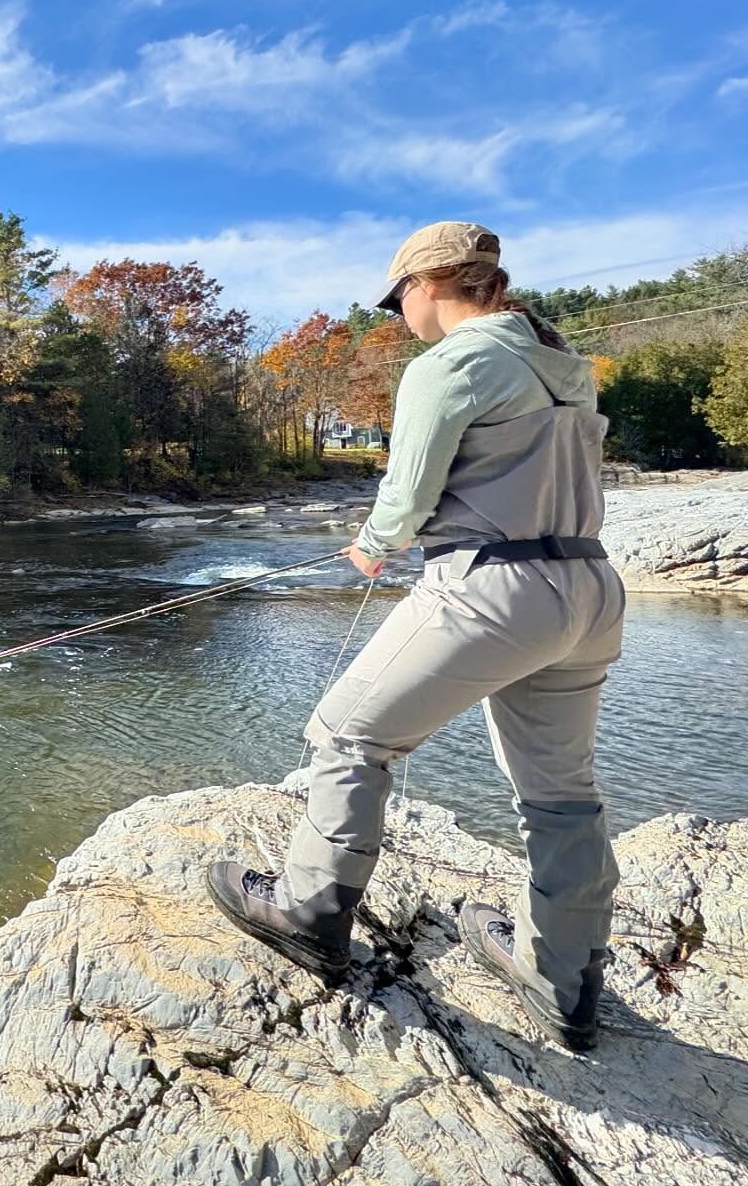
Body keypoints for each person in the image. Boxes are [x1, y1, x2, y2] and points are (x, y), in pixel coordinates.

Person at [206, 221, 624, 1053]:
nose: (400, 316)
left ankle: (309, 912)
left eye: (400, 298)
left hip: (496, 591)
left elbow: (408, 491)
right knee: (561, 794)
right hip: (591, 589)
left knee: (345, 735)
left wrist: (374, 544)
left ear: (432, 282)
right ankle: (564, 982)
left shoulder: (453, 364)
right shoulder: (563, 365)